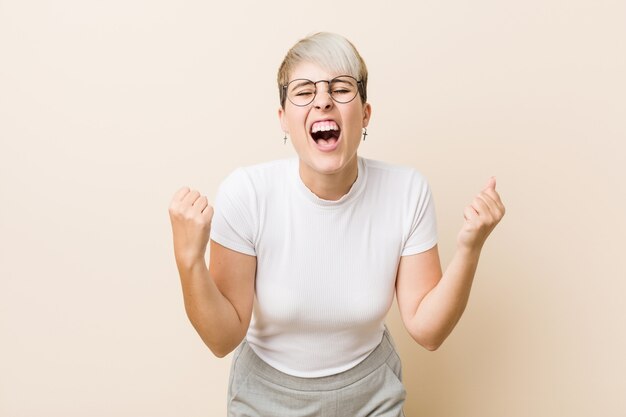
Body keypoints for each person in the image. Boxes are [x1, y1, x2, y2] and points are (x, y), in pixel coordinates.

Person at [168, 32, 505, 417]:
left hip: (371, 395)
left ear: (365, 114)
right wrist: (188, 261)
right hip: (264, 396)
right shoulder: (247, 193)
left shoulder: (406, 190)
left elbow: (428, 332)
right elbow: (222, 339)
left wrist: (470, 250)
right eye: (304, 90)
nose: (324, 100)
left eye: (341, 88)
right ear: (283, 119)